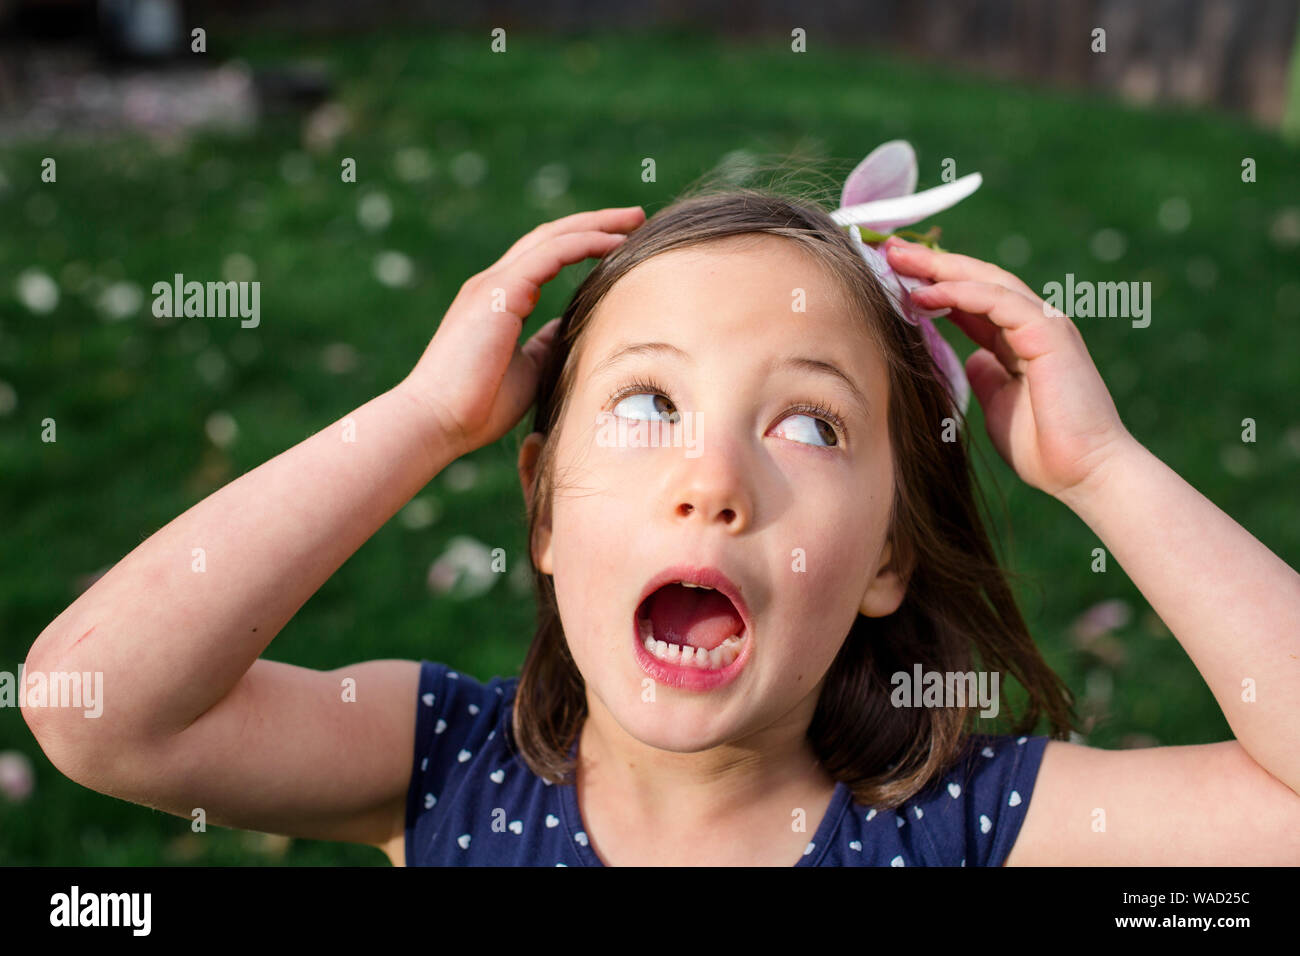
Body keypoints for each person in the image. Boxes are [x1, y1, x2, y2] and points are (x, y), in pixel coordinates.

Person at [23, 150, 1300, 867]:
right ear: (542, 510)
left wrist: (1101, 468)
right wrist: (424, 418)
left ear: (885, 558)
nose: (714, 478)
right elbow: (101, 709)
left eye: (807, 423)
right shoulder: (446, 773)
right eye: (645, 407)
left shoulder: (960, 826)